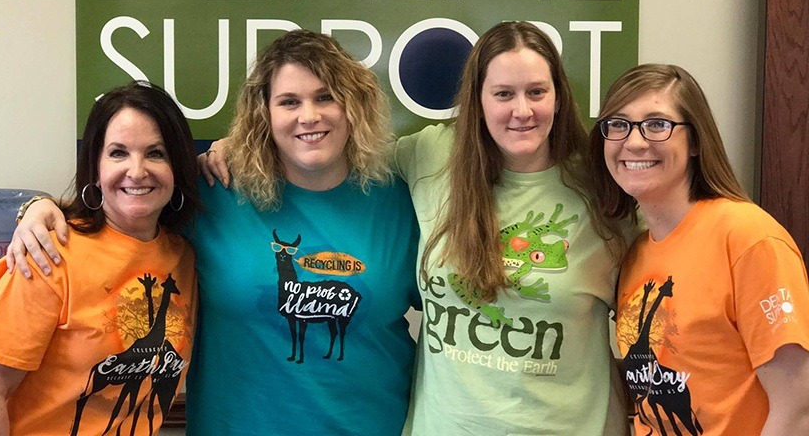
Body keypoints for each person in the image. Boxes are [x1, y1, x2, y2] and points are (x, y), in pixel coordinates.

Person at [202, 22, 632, 434]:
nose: (521, 110)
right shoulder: (428, 160)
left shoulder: (605, 191)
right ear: (477, 101)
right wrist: (229, 149)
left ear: (559, 97)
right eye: (503, 93)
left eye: (536, 91)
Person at [8, 30, 421, 435]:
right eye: (289, 101)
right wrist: (41, 208)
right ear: (265, 113)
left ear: (354, 104)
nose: (308, 116)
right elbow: (125, 208)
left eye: (326, 96)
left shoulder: (404, 202)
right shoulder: (217, 192)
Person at [0, 80, 200, 435]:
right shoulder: (48, 253)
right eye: (118, 153)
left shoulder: (184, 257)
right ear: (95, 165)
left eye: (156, 153)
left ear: (177, 165)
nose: (137, 171)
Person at [588, 63, 809, 435]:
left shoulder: (748, 238)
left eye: (657, 124)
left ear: (694, 141)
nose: (635, 142)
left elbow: (798, 408)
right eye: (619, 125)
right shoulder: (636, 252)